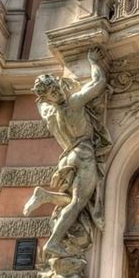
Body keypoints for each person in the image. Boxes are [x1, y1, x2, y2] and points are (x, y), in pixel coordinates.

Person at [24, 48, 111, 258]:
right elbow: (98, 84)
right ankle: (53, 242)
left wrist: (43, 98)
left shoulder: (52, 113)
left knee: (76, 200)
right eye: (53, 93)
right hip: (84, 155)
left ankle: (44, 195)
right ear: (51, 96)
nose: (58, 93)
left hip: (69, 157)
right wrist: (93, 62)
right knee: (78, 203)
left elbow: (41, 107)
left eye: (56, 89)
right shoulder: (74, 102)